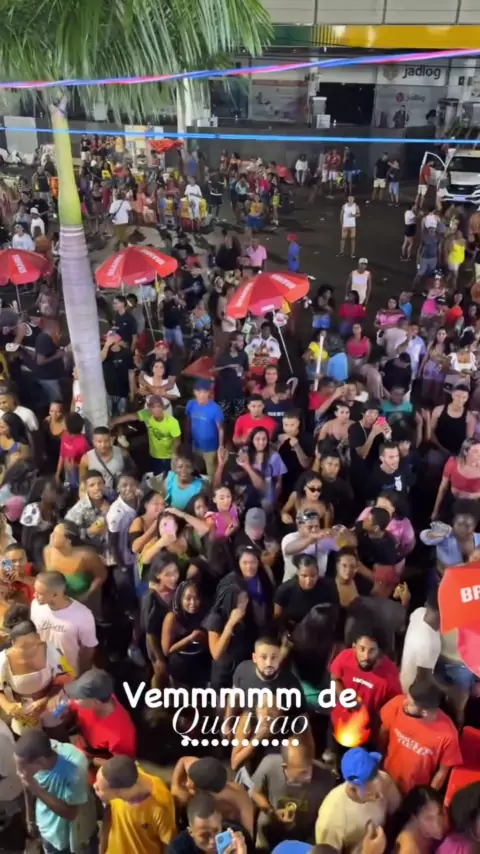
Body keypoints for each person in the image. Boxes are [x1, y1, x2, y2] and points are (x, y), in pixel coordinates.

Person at [14, 728, 98, 854]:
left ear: (40, 762)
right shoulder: (39, 754)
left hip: (74, 831)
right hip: (47, 828)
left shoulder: (75, 770)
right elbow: (26, 782)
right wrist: (30, 817)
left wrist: (36, 788)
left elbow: (71, 814)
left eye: (22, 768)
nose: (19, 773)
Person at [379, 678, 462, 795]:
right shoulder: (397, 703)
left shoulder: (448, 736)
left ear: (424, 712)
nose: (404, 702)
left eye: (410, 704)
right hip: (387, 778)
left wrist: (427, 796)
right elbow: (383, 733)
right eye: (407, 697)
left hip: (413, 792)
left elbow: (442, 772)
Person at [329, 623, 402, 748]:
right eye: (362, 649)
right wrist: (343, 697)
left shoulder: (391, 675)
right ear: (354, 647)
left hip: (366, 730)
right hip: (338, 721)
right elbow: (334, 678)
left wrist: (374, 716)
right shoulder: (344, 657)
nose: (366, 656)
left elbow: (395, 703)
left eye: (372, 650)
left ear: (380, 651)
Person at [252, 739, 335, 847]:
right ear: (285, 766)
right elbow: (254, 791)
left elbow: (330, 809)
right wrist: (271, 811)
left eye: (311, 767)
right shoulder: (269, 765)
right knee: (264, 823)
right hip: (272, 826)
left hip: (306, 833)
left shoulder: (325, 775)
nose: (309, 776)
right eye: (303, 772)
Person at [315, 747, 401, 850]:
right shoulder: (331, 819)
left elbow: (398, 815)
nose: (381, 796)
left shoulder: (384, 780)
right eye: (373, 795)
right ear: (353, 789)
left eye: (375, 773)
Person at [94, 755, 176, 854]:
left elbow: (168, 845)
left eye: (98, 788)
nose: (94, 786)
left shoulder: (161, 807)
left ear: (117, 793)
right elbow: (108, 817)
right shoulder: (125, 775)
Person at [61, 668, 136, 767]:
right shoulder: (94, 700)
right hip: (82, 747)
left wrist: (94, 761)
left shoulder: (122, 735)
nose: (74, 700)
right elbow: (69, 705)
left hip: (96, 760)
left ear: (95, 702)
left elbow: (123, 766)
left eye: (78, 697)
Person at [31, 571, 98, 676]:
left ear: (55, 594)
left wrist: (82, 674)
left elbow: (88, 648)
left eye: (40, 593)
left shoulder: (83, 615)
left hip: (69, 673)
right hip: (44, 670)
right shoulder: (35, 605)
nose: (34, 595)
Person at [171, 756, 254, 836]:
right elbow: (183, 760)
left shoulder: (238, 802)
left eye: (192, 787)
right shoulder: (201, 771)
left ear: (206, 792)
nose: (187, 785)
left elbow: (248, 835)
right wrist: (175, 786)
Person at [112, 396, 181, 476]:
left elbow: (177, 441)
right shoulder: (148, 414)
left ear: (162, 407)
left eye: (158, 406)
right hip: (153, 454)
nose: (155, 409)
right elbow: (133, 416)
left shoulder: (172, 422)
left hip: (167, 457)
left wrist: (174, 457)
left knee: (164, 477)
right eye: (152, 407)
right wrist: (114, 421)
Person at [168, 791, 251, 854]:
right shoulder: (178, 850)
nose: (212, 841)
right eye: (204, 836)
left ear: (220, 821)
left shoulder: (238, 838)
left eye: (216, 831)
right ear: (191, 832)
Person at [400, 590, 441, 693]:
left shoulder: (419, 612)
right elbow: (424, 681)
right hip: (411, 691)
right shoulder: (429, 645)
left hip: (403, 676)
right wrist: (451, 690)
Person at [185, 380, 224, 480]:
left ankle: (212, 488)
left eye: (205, 392)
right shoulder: (190, 404)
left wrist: (221, 446)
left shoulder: (215, 408)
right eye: (199, 391)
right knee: (196, 469)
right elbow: (188, 422)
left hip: (210, 448)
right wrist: (187, 440)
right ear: (194, 392)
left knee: (211, 473)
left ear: (209, 393)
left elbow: (220, 429)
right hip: (195, 445)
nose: (202, 395)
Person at [392, 786, 445, 854]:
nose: (437, 824)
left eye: (440, 813)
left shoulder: (426, 830)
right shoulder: (409, 848)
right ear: (415, 818)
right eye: (429, 818)